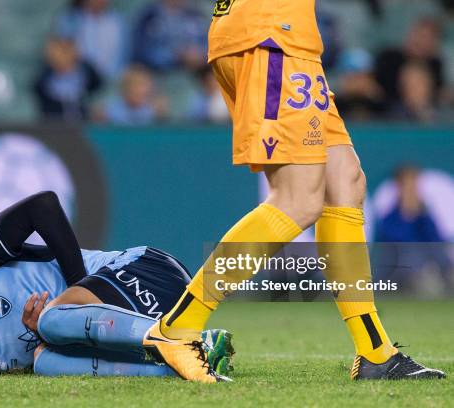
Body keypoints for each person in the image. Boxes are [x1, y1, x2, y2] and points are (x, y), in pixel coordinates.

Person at [141, 0, 446, 383]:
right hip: (270, 34)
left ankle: (376, 354)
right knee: (297, 200)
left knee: (345, 183)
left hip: (290, 40)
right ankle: (176, 329)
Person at [0, 192, 233, 376]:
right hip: (132, 324)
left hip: (145, 272)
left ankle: (173, 340)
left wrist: (78, 288)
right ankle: (187, 359)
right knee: (44, 359)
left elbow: (42, 205)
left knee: (55, 321)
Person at [33, 36, 102, 121]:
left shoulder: (90, 75)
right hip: (54, 129)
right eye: (58, 50)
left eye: (65, 50)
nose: (62, 56)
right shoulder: (41, 81)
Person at [55, 0, 126, 79]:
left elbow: (123, 59)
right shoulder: (70, 20)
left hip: (112, 80)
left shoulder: (118, 21)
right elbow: (61, 52)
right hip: (78, 79)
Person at [131, 0, 208, 72]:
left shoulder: (195, 14)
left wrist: (199, 54)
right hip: (159, 75)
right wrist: (177, 55)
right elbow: (143, 53)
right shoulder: (149, 16)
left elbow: (208, 45)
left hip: (197, 74)